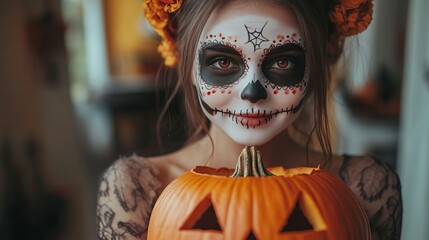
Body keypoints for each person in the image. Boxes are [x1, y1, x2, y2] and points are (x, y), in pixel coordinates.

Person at [96, 0, 402, 239]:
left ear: (316, 63)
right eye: (223, 61)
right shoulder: (134, 194)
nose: (252, 92)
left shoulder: (367, 189)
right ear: (187, 62)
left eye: (282, 62)